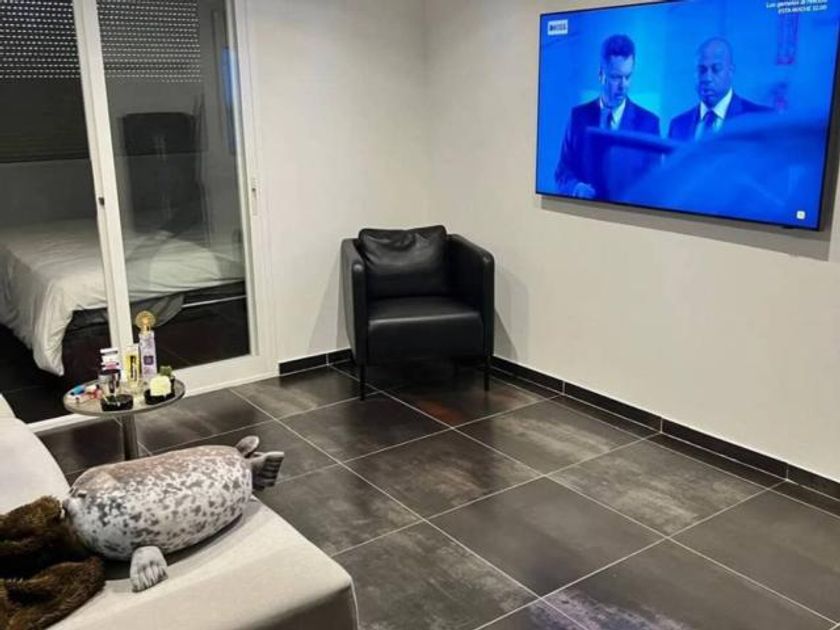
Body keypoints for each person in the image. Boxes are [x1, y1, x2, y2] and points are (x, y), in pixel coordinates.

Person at [554, 34, 661, 200]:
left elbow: (655, 185)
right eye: (616, 77)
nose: (623, 85)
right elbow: (562, 172)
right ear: (601, 75)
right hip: (581, 212)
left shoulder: (649, 124)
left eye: (628, 76)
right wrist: (576, 188)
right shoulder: (578, 117)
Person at [669, 37, 772, 142]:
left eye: (716, 69)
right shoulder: (678, 125)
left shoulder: (761, 120)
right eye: (701, 70)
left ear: (731, 71)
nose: (707, 78)